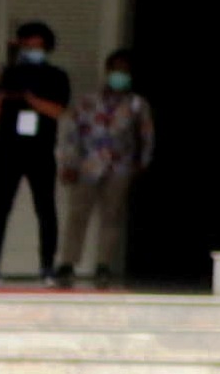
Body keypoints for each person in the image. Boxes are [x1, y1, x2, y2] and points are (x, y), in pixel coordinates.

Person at [55, 49, 153, 286]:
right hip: (87, 165)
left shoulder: (137, 104)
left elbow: (146, 135)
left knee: (111, 216)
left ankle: (103, 264)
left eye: (124, 70)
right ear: (108, 71)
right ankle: (68, 262)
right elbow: (71, 134)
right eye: (116, 69)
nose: (120, 74)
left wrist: (143, 162)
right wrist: (68, 163)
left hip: (120, 166)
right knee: (78, 214)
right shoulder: (88, 101)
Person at [0, 22, 72, 283]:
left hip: (40, 151)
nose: (31, 50)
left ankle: (47, 267)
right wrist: (0, 96)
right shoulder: (9, 74)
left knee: (45, 209)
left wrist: (30, 99)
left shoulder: (56, 76)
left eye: (36, 45)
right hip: (8, 149)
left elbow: (57, 111)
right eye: (27, 45)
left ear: (46, 47)